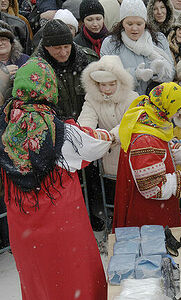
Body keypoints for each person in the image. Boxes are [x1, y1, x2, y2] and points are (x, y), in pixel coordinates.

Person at [0, 57, 113, 300]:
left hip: (23, 225)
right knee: (73, 275)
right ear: (50, 89)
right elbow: (95, 146)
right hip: (61, 221)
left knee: (40, 280)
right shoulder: (59, 130)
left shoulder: (5, 125)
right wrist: (107, 134)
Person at [113, 82, 181, 229]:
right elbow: (153, 188)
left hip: (154, 208)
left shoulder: (151, 119)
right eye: (177, 109)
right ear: (166, 107)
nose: (178, 113)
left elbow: (162, 150)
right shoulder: (146, 141)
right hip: (150, 214)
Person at [78, 54, 139, 187]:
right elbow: (87, 118)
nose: (107, 89)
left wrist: (112, 136)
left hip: (130, 153)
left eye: (112, 84)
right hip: (108, 156)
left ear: (120, 82)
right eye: (102, 85)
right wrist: (85, 133)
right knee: (112, 191)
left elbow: (129, 123)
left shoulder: (132, 98)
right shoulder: (92, 98)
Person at [100, 0, 175, 95]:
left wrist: (160, 72)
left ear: (145, 23)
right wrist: (135, 75)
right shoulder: (110, 43)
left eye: (139, 24)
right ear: (122, 23)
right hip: (125, 103)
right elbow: (107, 76)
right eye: (129, 24)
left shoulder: (159, 39)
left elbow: (171, 73)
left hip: (155, 102)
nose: (134, 28)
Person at [34, 19, 98, 119]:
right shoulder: (34, 70)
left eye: (66, 47)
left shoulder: (89, 60)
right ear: (46, 47)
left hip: (89, 123)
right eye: (57, 48)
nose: (63, 53)